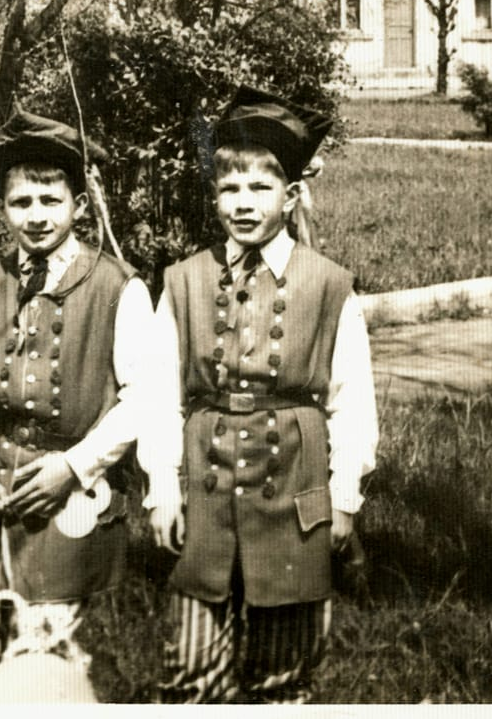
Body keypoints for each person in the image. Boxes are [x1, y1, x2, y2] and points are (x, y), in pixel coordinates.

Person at [148, 86, 378, 704]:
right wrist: (163, 488)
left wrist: (344, 497)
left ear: (291, 195)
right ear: (213, 196)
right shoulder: (183, 281)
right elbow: (160, 396)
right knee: (191, 663)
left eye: (260, 187)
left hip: (294, 486)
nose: (243, 203)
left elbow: (352, 403)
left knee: (284, 668)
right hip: (207, 488)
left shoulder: (330, 286)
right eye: (230, 188)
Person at [0, 111, 163, 677]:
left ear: (80, 204)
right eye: (21, 202)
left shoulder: (118, 285)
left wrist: (72, 467)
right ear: (1, 208)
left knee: (57, 655)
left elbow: (143, 398)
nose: (37, 216)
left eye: (51, 200)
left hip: (74, 492)